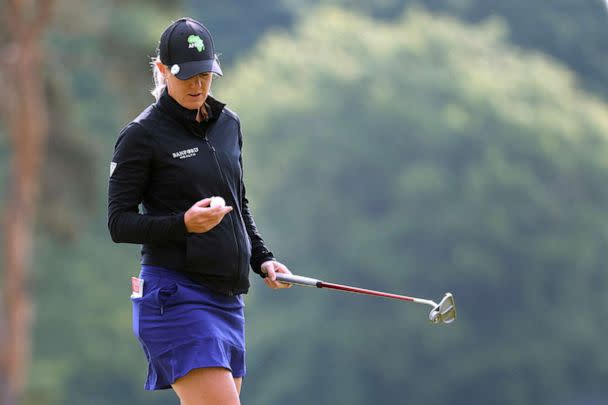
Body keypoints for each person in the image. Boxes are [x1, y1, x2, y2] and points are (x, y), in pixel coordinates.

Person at [107, 17, 292, 405]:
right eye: (186, 75)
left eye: (205, 74)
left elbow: (238, 202)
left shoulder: (228, 124)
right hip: (174, 296)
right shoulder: (141, 136)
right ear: (161, 71)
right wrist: (183, 224)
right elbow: (119, 223)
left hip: (227, 299)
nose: (197, 85)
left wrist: (263, 259)